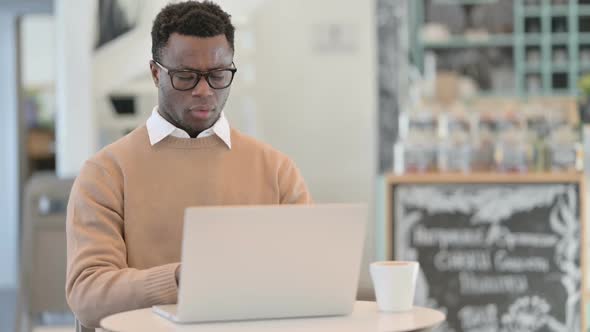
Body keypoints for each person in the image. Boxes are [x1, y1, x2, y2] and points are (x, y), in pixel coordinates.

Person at [65, 1, 312, 328]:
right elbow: (89, 296)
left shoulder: (277, 170)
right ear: (155, 73)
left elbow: (310, 277)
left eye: (218, 75)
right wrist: (182, 279)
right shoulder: (106, 173)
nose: (204, 91)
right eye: (186, 76)